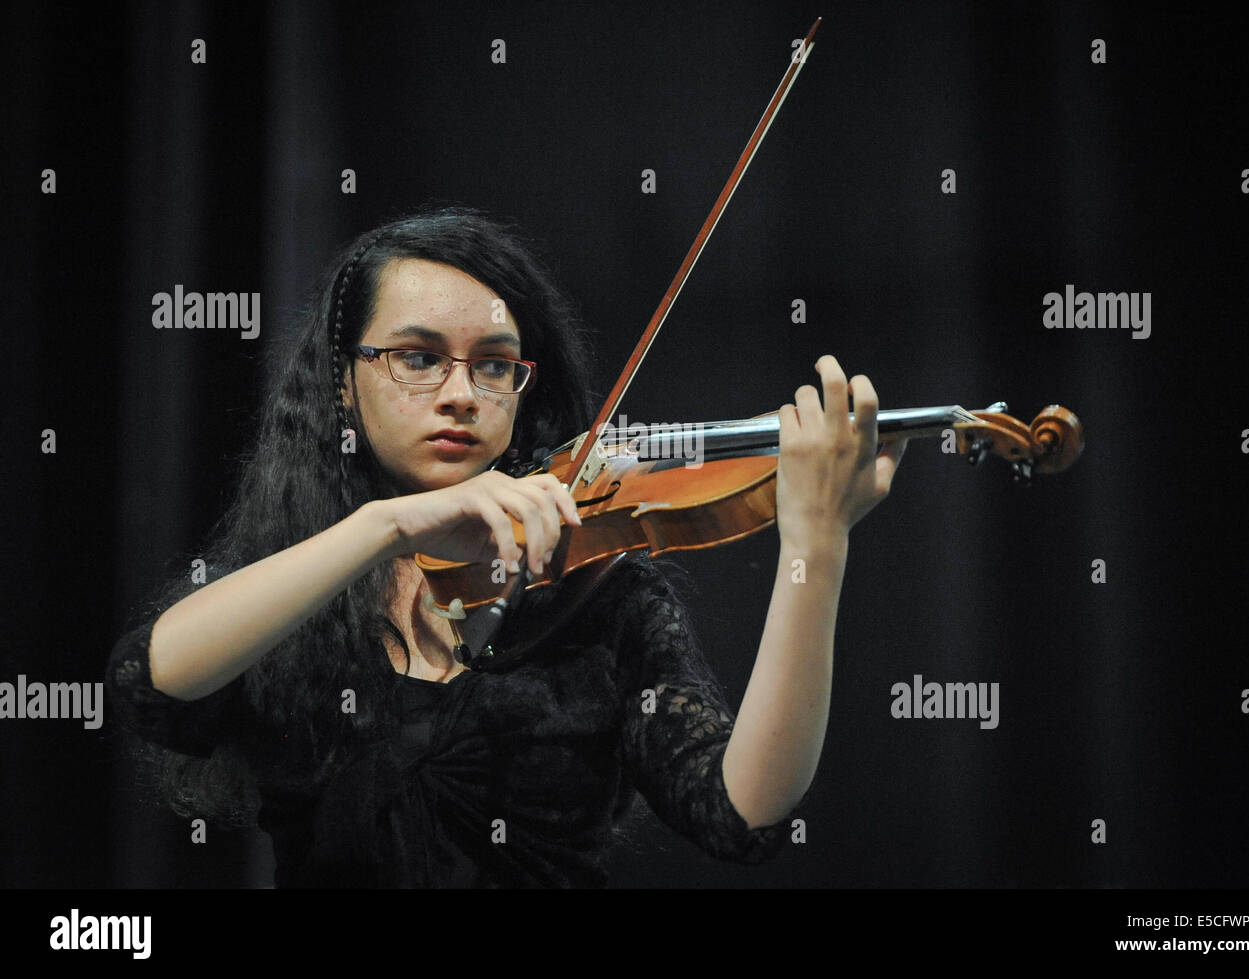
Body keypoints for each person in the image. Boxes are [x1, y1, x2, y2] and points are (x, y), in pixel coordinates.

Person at [106, 206, 907, 887]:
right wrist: (384, 527)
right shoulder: (304, 583)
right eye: (417, 358)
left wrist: (816, 541)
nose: (460, 393)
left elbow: (742, 814)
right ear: (343, 383)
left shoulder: (600, 594)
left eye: (494, 366)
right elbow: (151, 683)